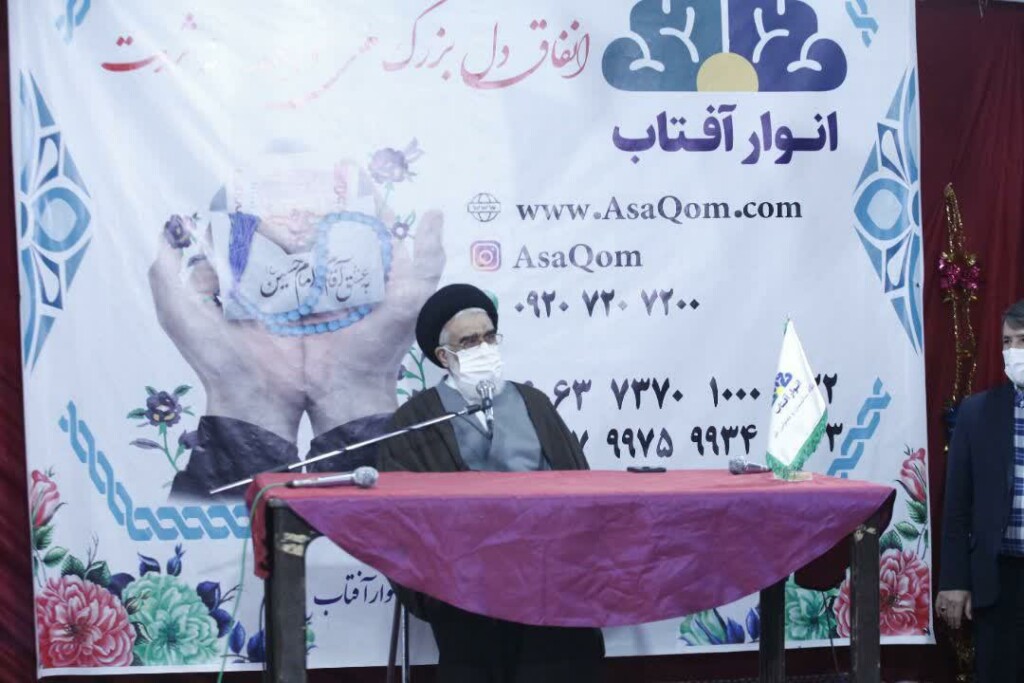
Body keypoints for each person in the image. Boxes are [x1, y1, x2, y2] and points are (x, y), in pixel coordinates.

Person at [376, 283, 605, 683]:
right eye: (469, 341)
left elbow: (579, 483)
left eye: (488, 337)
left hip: (553, 586)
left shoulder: (535, 403)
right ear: (444, 356)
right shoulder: (415, 422)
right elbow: (400, 522)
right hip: (470, 597)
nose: (483, 347)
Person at [938, 299, 1024, 681]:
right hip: (999, 581)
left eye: (1022, 341)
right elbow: (957, 506)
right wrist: (954, 581)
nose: (1013, 352)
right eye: (1007, 342)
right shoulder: (977, 413)